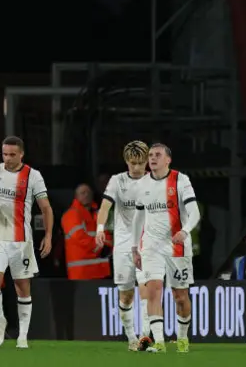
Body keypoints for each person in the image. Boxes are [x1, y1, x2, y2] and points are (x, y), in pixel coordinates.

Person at [0, 134, 53, 350]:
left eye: (12, 154)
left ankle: (22, 335)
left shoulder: (33, 176)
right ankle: (0, 320)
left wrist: (49, 236)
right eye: (5, 154)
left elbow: (46, 208)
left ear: (22, 154)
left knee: (22, 288)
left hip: (21, 240)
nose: (8, 158)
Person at [132, 142, 200, 354]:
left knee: (180, 296)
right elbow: (138, 217)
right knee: (153, 289)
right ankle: (159, 342)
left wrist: (186, 230)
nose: (152, 158)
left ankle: (182, 338)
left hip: (177, 246)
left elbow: (195, 212)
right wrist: (135, 247)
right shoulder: (143, 183)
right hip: (151, 245)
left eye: (158, 155)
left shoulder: (180, 180)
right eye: (151, 155)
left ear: (168, 160)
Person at [95, 140, 151, 351]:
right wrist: (100, 228)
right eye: (132, 163)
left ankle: (145, 337)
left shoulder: (155, 181)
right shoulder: (117, 181)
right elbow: (105, 207)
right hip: (123, 242)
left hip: (147, 242)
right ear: (126, 161)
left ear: (146, 161)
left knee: (146, 288)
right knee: (126, 295)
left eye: (140, 163)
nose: (136, 168)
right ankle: (131, 338)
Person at [62, 183, 111, 282]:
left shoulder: (98, 214)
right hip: (81, 273)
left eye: (88, 192)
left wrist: (108, 247)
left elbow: (107, 236)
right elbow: (80, 238)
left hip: (100, 271)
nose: (86, 195)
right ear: (76, 196)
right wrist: (101, 248)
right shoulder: (71, 214)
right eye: (82, 193)